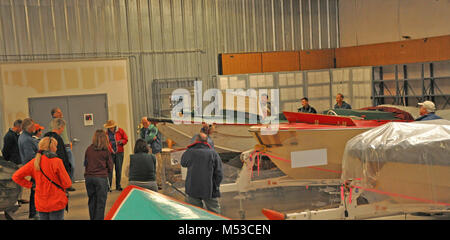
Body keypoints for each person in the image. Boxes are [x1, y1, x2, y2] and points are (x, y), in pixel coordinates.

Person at [12, 137, 72, 220]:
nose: (57, 148)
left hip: (41, 202)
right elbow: (67, 183)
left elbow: (16, 176)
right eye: (56, 146)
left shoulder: (34, 162)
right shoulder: (56, 161)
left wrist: (31, 185)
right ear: (51, 147)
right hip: (56, 201)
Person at [181, 133, 223, 214]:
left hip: (192, 188)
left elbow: (183, 163)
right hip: (210, 189)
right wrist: (215, 186)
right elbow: (219, 173)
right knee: (215, 213)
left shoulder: (189, 152)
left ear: (196, 140)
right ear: (207, 141)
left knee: (195, 213)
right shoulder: (213, 153)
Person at [84, 130, 113, 220]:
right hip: (101, 178)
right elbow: (110, 166)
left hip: (89, 178)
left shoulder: (89, 149)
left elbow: (85, 163)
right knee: (101, 203)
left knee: (92, 201)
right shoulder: (106, 151)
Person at [43, 118, 73, 191]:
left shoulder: (45, 137)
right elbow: (62, 155)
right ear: (61, 127)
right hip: (57, 169)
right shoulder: (58, 139)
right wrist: (67, 168)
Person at [50, 108, 75, 191]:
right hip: (61, 147)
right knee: (63, 167)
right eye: (58, 112)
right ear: (54, 114)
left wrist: (69, 142)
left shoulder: (62, 122)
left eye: (61, 111)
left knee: (72, 166)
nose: (61, 113)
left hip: (67, 146)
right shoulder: (53, 124)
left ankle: (69, 183)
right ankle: (65, 185)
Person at [18, 118, 39, 219]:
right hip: (34, 168)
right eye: (33, 126)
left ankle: (34, 212)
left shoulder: (25, 137)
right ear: (30, 127)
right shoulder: (27, 139)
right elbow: (30, 157)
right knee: (35, 190)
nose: (35, 127)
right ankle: (34, 212)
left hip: (33, 167)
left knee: (35, 190)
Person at [104, 120, 128, 191]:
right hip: (110, 153)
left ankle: (118, 185)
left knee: (118, 169)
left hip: (119, 152)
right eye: (109, 127)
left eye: (112, 127)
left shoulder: (120, 131)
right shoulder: (106, 133)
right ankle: (109, 186)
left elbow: (126, 139)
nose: (111, 129)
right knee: (110, 170)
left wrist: (121, 141)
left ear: (114, 126)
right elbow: (106, 143)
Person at [139, 117, 163, 189]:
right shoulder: (143, 130)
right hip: (148, 150)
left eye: (145, 123)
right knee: (150, 167)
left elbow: (149, 138)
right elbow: (143, 139)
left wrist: (149, 138)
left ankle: (159, 183)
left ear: (149, 122)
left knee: (158, 166)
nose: (144, 124)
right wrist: (150, 138)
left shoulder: (153, 128)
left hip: (155, 149)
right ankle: (151, 183)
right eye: (143, 123)